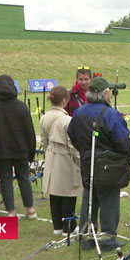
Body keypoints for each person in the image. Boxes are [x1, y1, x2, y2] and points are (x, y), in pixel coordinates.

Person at [68, 77, 130, 251]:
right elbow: (122, 141)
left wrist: (85, 151)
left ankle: (86, 238)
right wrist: (129, 155)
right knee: (109, 203)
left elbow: (72, 135)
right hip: (107, 165)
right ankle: (107, 240)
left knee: (89, 200)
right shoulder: (110, 114)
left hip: (87, 161)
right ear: (105, 93)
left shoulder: (78, 112)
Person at [0, 75, 37, 218]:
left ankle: (11, 212)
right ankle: (30, 209)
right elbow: (29, 132)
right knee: (23, 178)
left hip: (1, 151)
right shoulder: (21, 106)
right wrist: (31, 152)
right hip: (21, 149)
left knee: (6, 180)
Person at [40, 86, 82, 235]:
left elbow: (43, 141)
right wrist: (79, 161)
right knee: (68, 194)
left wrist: (48, 154)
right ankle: (68, 227)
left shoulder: (44, 117)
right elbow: (72, 145)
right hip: (65, 157)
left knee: (55, 193)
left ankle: (57, 226)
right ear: (64, 100)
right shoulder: (67, 120)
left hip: (52, 155)